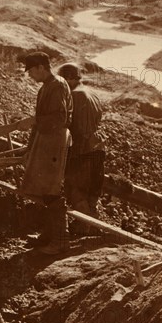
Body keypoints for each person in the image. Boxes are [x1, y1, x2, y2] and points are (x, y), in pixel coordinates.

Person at [20, 52, 73, 255]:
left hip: (54, 140)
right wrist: (29, 146)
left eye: (32, 71)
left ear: (42, 67)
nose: (31, 76)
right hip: (45, 139)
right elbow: (42, 118)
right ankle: (49, 235)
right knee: (43, 188)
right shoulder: (46, 87)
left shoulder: (57, 85)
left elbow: (59, 118)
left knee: (52, 189)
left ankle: (61, 240)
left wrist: (34, 122)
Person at [59, 62, 105, 235]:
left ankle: (85, 229)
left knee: (76, 191)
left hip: (82, 150)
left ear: (69, 79)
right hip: (97, 149)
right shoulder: (92, 93)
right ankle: (95, 229)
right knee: (91, 194)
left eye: (63, 80)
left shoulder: (76, 96)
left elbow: (78, 129)